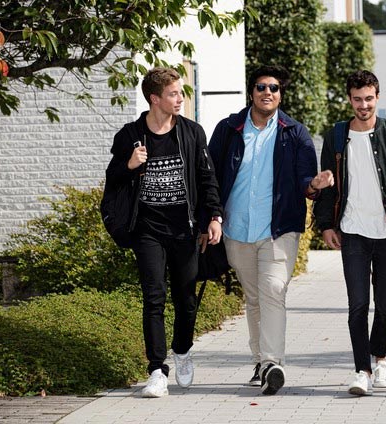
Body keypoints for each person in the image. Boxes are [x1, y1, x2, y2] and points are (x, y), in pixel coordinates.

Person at [208, 65, 333, 395]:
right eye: (262, 86)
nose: (268, 92)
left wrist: (315, 185)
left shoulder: (295, 132)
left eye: (274, 88)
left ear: (280, 94)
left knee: (273, 292)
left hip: (279, 231)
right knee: (254, 298)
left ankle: (272, 362)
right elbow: (210, 177)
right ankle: (260, 360)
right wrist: (212, 216)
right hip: (237, 231)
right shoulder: (229, 130)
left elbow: (306, 180)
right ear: (252, 92)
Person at [105, 67, 223, 398]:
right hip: (148, 230)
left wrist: (213, 217)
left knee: (185, 300)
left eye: (181, 92)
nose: (180, 98)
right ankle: (157, 370)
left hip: (184, 231)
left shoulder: (191, 132)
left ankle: (182, 350)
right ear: (155, 99)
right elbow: (112, 180)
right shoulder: (129, 136)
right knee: (153, 297)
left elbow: (206, 178)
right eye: (174, 93)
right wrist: (128, 165)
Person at [314, 70, 386, 396]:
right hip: (353, 233)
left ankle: (382, 360)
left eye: (369, 99)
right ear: (350, 99)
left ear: (377, 97)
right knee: (358, 305)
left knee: (385, 305)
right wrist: (326, 225)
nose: (363, 105)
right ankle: (362, 370)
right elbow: (328, 183)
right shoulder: (335, 136)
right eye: (357, 99)